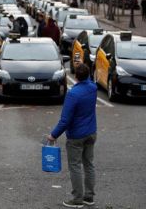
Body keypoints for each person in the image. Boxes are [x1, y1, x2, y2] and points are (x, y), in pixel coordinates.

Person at [47, 63, 97, 208]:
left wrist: (53, 135)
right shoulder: (93, 88)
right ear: (88, 75)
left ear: (75, 76)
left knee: (75, 166)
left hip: (76, 136)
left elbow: (65, 120)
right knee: (89, 165)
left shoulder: (73, 94)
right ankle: (89, 197)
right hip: (91, 132)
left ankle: (77, 199)